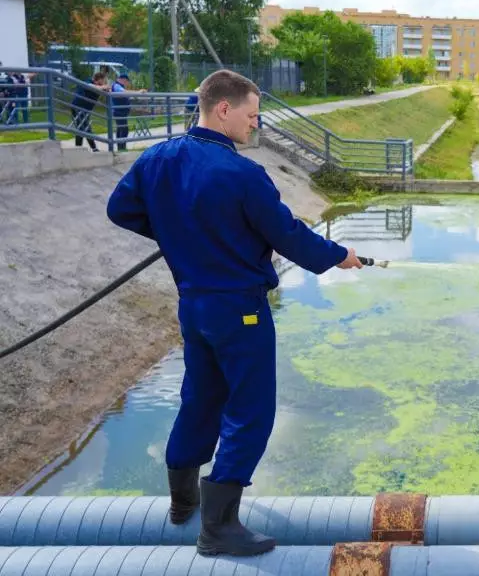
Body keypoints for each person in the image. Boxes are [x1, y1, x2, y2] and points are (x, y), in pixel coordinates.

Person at [105, 69, 365, 557]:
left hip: (194, 305)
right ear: (223, 109)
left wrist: (178, 233)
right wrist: (337, 255)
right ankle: (219, 528)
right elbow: (287, 234)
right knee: (250, 410)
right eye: (251, 115)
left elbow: (120, 210)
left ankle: (183, 505)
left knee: (201, 398)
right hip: (239, 310)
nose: (255, 124)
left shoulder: (157, 158)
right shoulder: (244, 173)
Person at [73, 72, 107, 152]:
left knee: (81, 128)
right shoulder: (88, 81)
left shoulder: (99, 86)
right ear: (98, 80)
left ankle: (78, 148)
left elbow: (105, 90)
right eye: (103, 81)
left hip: (86, 109)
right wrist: (103, 87)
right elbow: (91, 87)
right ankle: (93, 148)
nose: (103, 82)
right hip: (78, 107)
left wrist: (105, 89)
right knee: (84, 127)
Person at [110, 74, 145, 151]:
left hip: (120, 111)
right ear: (123, 79)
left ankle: (121, 147)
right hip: (118, 111)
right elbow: (124, 92)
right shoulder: (116, 86)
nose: (127, 84)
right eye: (126, 82)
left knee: (121, 129)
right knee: (124, 129)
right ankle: (122, 147)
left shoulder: (117, 85)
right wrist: (138, 92)